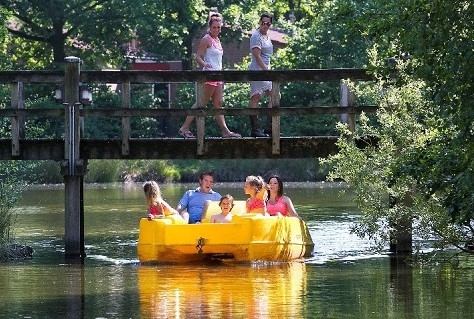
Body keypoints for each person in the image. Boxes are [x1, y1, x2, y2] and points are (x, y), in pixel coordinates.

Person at [178, 12, 241, 139]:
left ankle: (225, 131)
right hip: (209, 76)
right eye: (214, 27)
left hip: (218, 76)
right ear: (210, 27)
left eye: (218, 27)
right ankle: (184, 128)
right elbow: (198, 57)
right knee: (201, 103)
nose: (216, 29)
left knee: (218, 104)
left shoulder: (217, 40)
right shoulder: (206, 39)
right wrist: (205, 64)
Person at [248, 12, 274, 137]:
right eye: (263, 22)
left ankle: (269, 127)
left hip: (265, 70)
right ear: (260, 22)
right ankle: (255, 129)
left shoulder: (267, 37)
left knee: (275, 95)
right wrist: (266, 71)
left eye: (268, 23)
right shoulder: (256, 36)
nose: (265, 25)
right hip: (258, 70)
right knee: (256, 97)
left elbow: (267, 56)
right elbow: (257, 56)